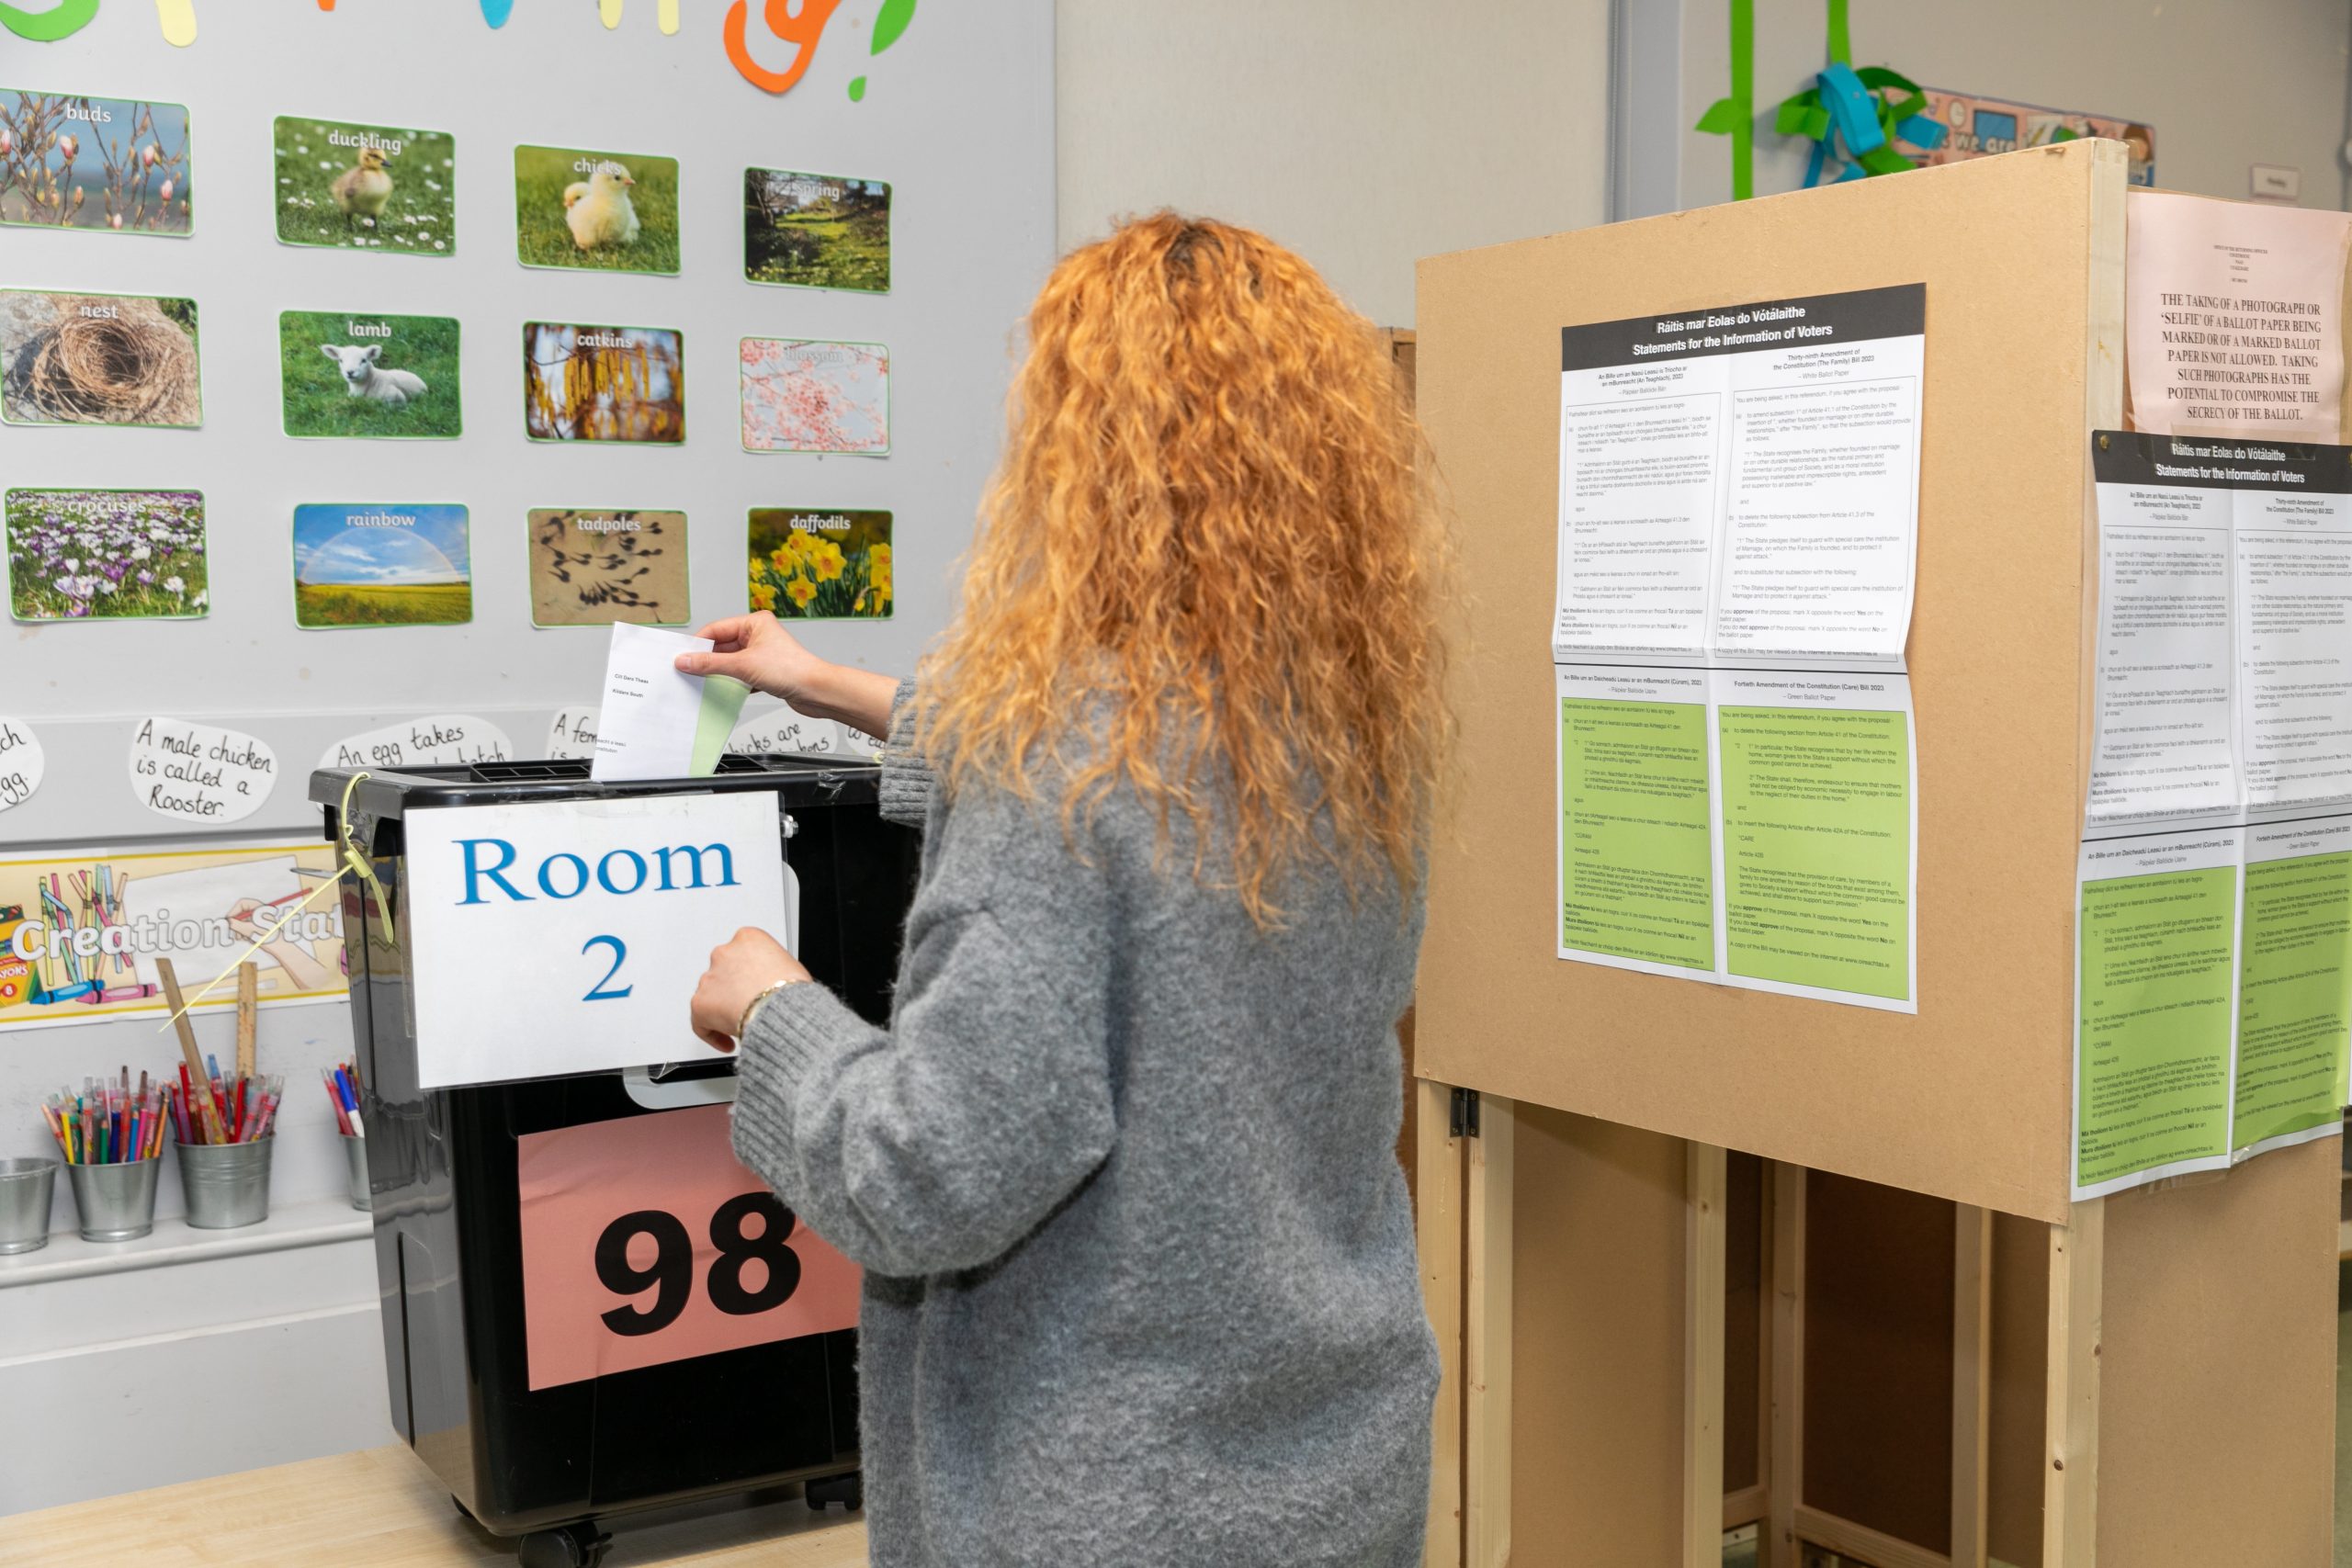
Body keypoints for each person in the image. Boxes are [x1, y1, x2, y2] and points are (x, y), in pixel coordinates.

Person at [684, 213, 1453, 1568]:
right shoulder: (1340, 737)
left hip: (1106, 1497)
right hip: (1333, 1462)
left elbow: (926, 1176)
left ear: (1082, 458)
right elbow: (1109, 791)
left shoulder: (1061, 768)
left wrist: (776, 1013)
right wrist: (816, 682)